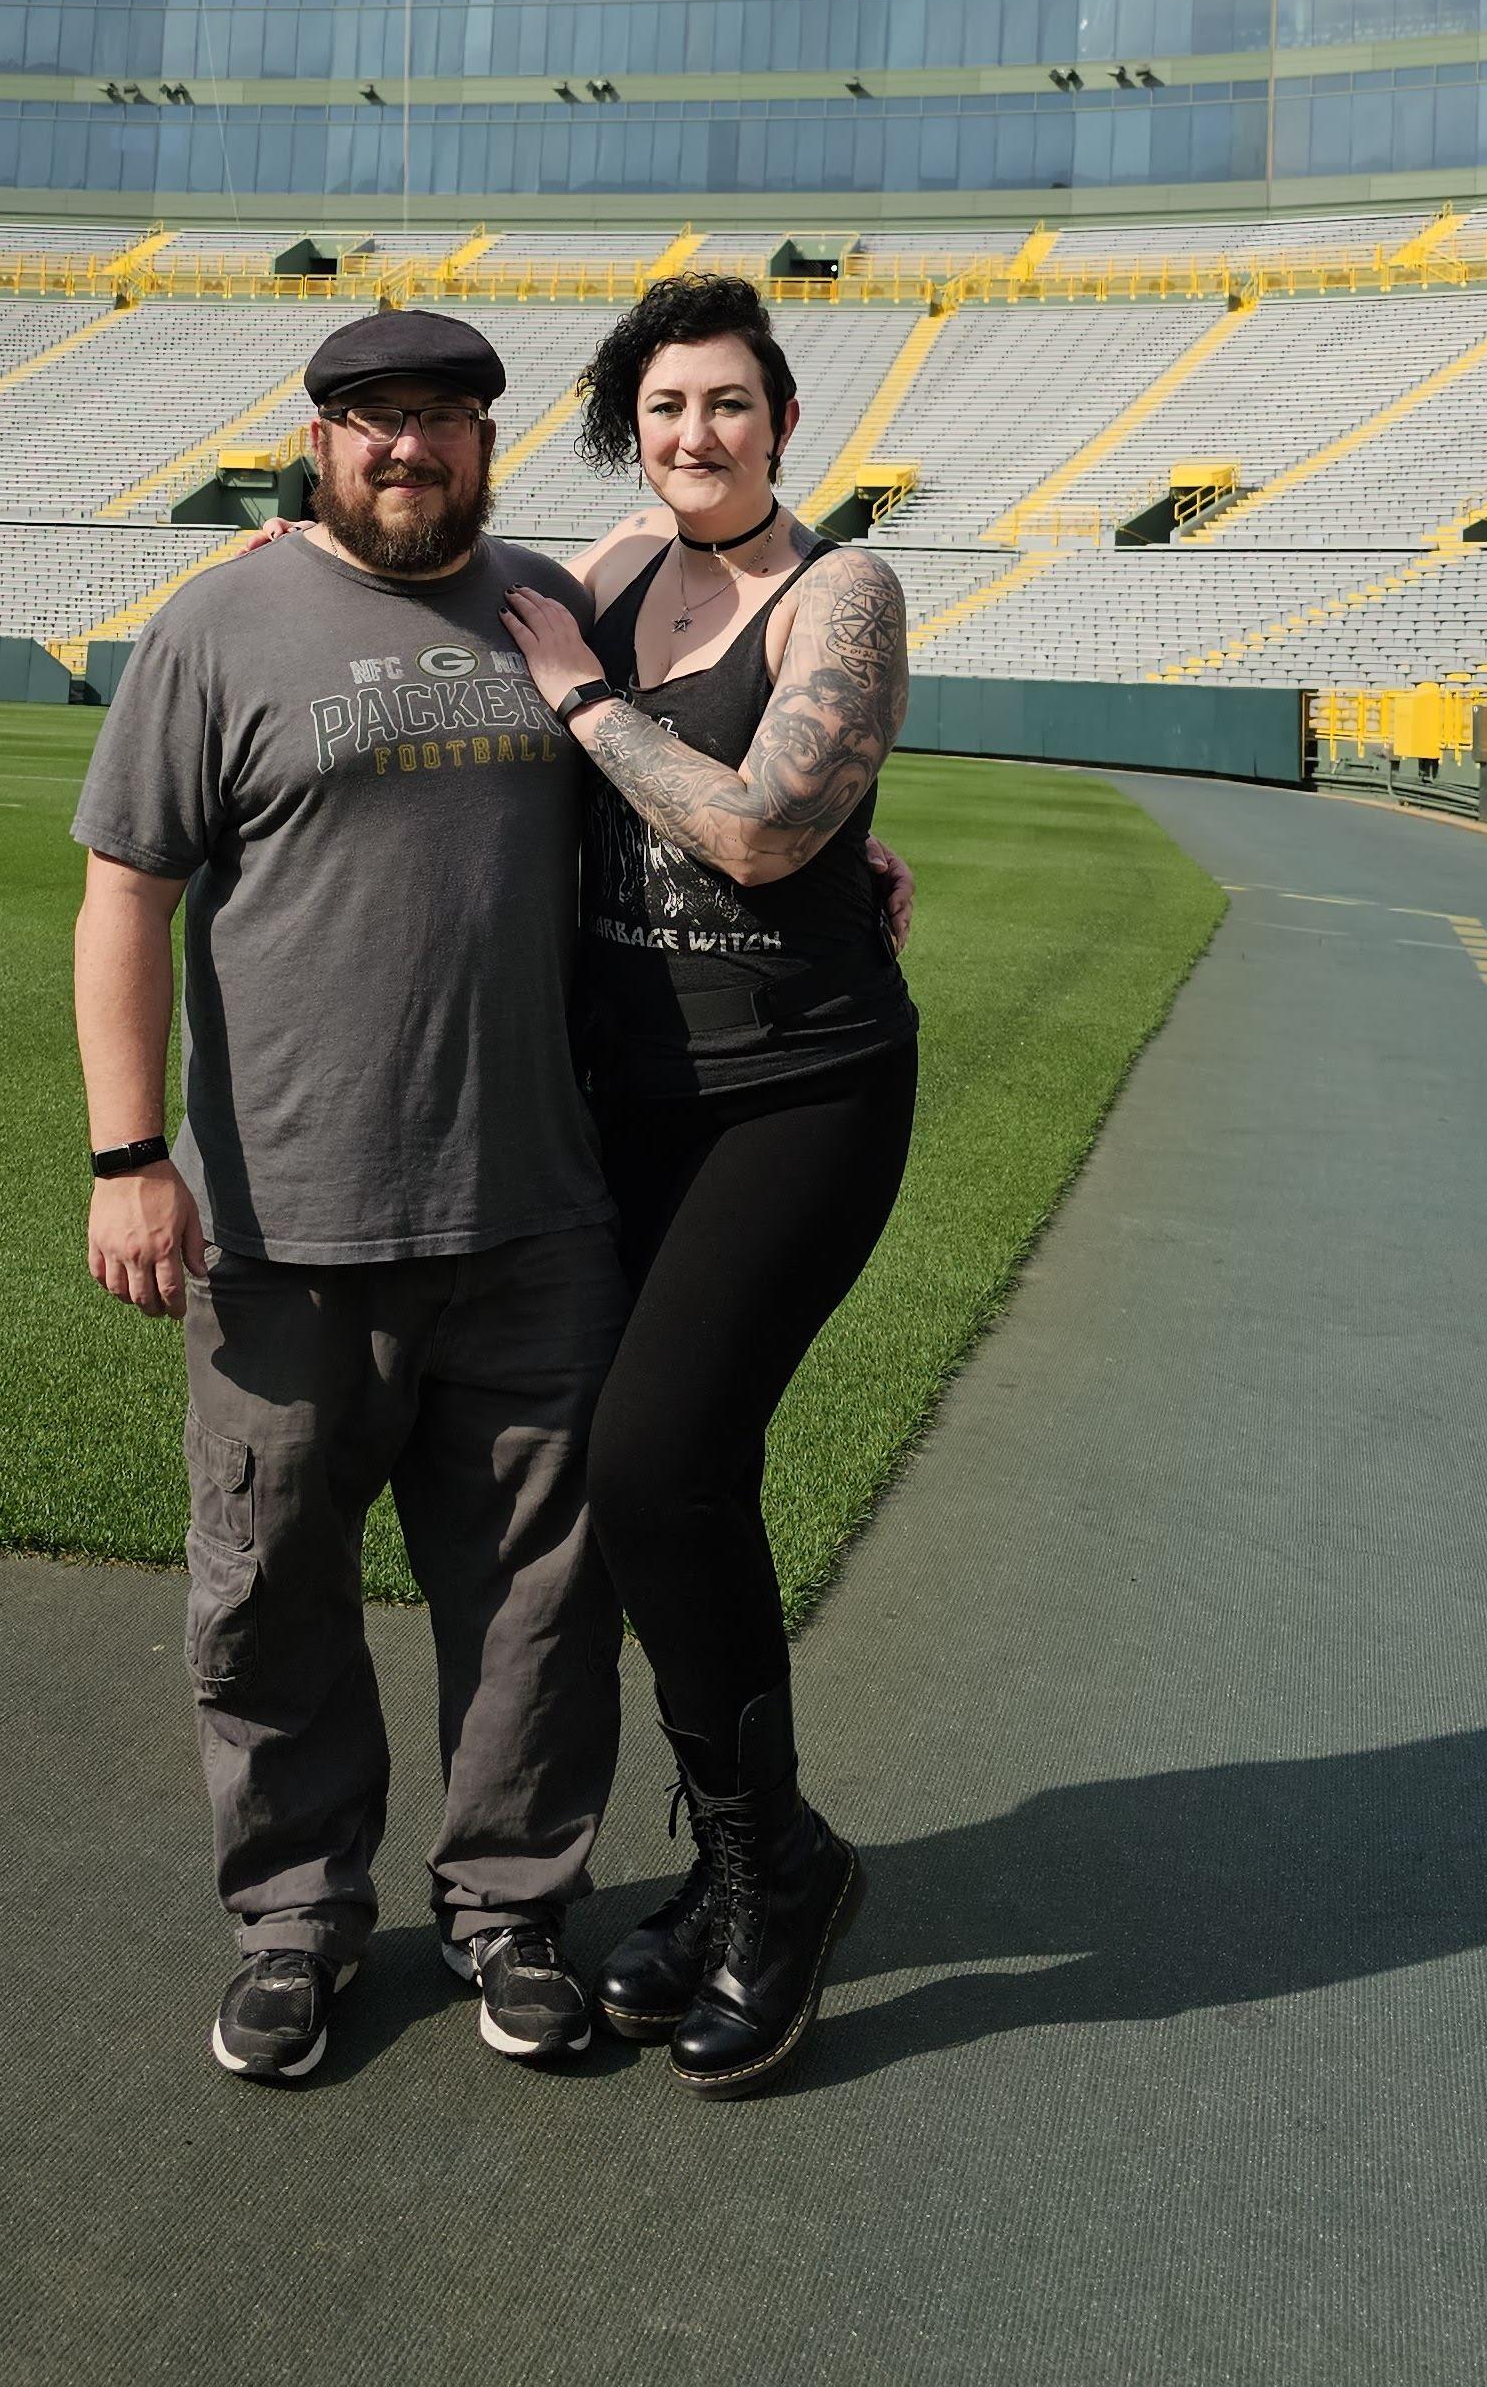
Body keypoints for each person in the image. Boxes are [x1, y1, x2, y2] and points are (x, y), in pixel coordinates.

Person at [70, 308, 626, 2082]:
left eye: (447, 418)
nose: (412, 448)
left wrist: (855, 857)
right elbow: (123, 899)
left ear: (487, 440)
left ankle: (512, 1911)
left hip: (536, 1212)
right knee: (270, 1595)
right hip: (283, 1225)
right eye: (375, 421)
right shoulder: (220, 622)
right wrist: (126, 1155)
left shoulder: (548, 608)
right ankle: (299, 1922)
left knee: (539, 1597)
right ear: (315, 443)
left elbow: (678, 781)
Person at [497, 268, 918, 2099]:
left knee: (656, 1453)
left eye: (729, 406)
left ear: (784, 422)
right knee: (669, 1482)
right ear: (632, 424)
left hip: (803, 1094)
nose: (696, 437)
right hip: (635, 1099)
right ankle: (765, 1859)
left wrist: (593, 710)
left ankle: (777, 1877)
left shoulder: (845, 589)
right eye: (666, 409)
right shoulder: (602, 567)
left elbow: (753, 827)